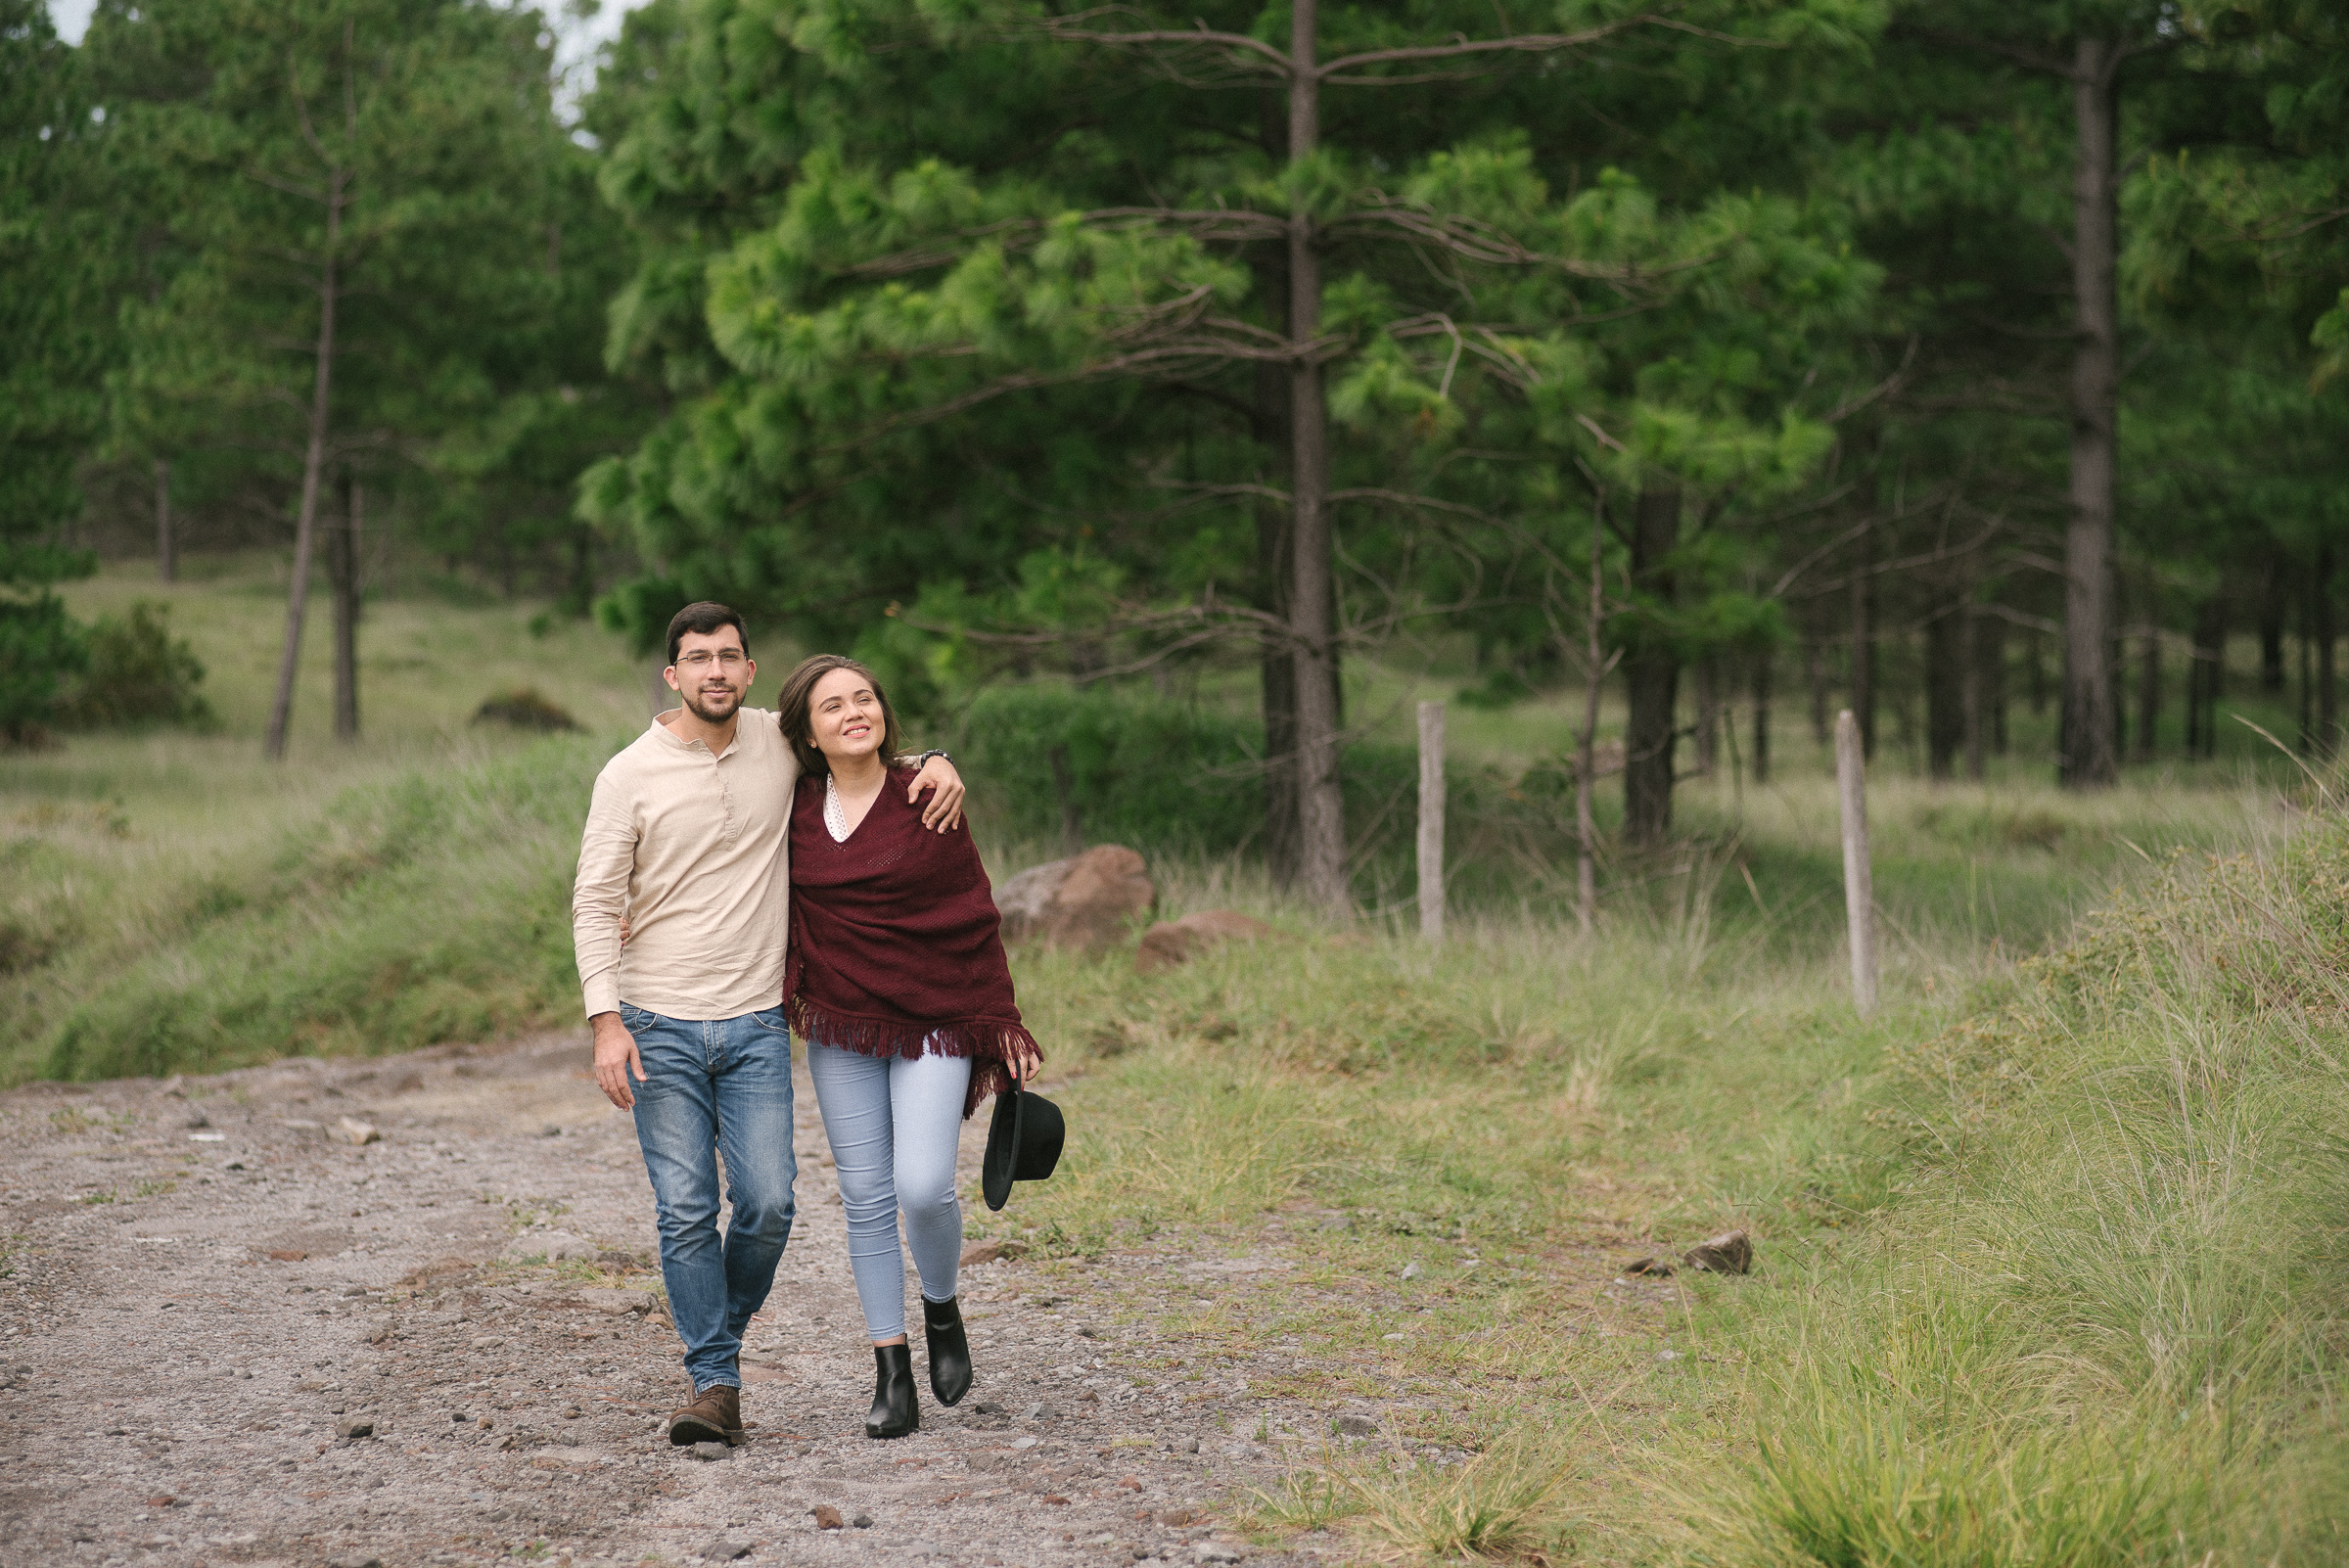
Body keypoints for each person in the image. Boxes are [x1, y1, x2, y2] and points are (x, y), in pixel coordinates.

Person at [573, 603, 967, 1448]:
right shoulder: (626, 774)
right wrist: (606, 1020)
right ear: (671, 676)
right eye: (696, 659)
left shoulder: (779, 743)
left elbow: (861, 747)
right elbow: (597, 901)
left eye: (730, 658)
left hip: (754, 1022)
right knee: (684, 1209)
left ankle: (718, 1324)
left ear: (750, 673)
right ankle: (715, 1379)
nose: (715, 671)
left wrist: (934, 761)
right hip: (658, 1020)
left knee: (769, 1204)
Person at [775, 653, 1041, 1440]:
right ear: (809, 732)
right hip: (842, 1021)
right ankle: (890, 1369)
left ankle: (942, 1306)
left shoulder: (926, 793)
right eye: (834, 707)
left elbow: (970, 910)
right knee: (864, 1199)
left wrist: (999, 1017)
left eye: (865, 699)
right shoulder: (791, 808)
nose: (855, 712)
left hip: (934, 1018)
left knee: (922, 1186)